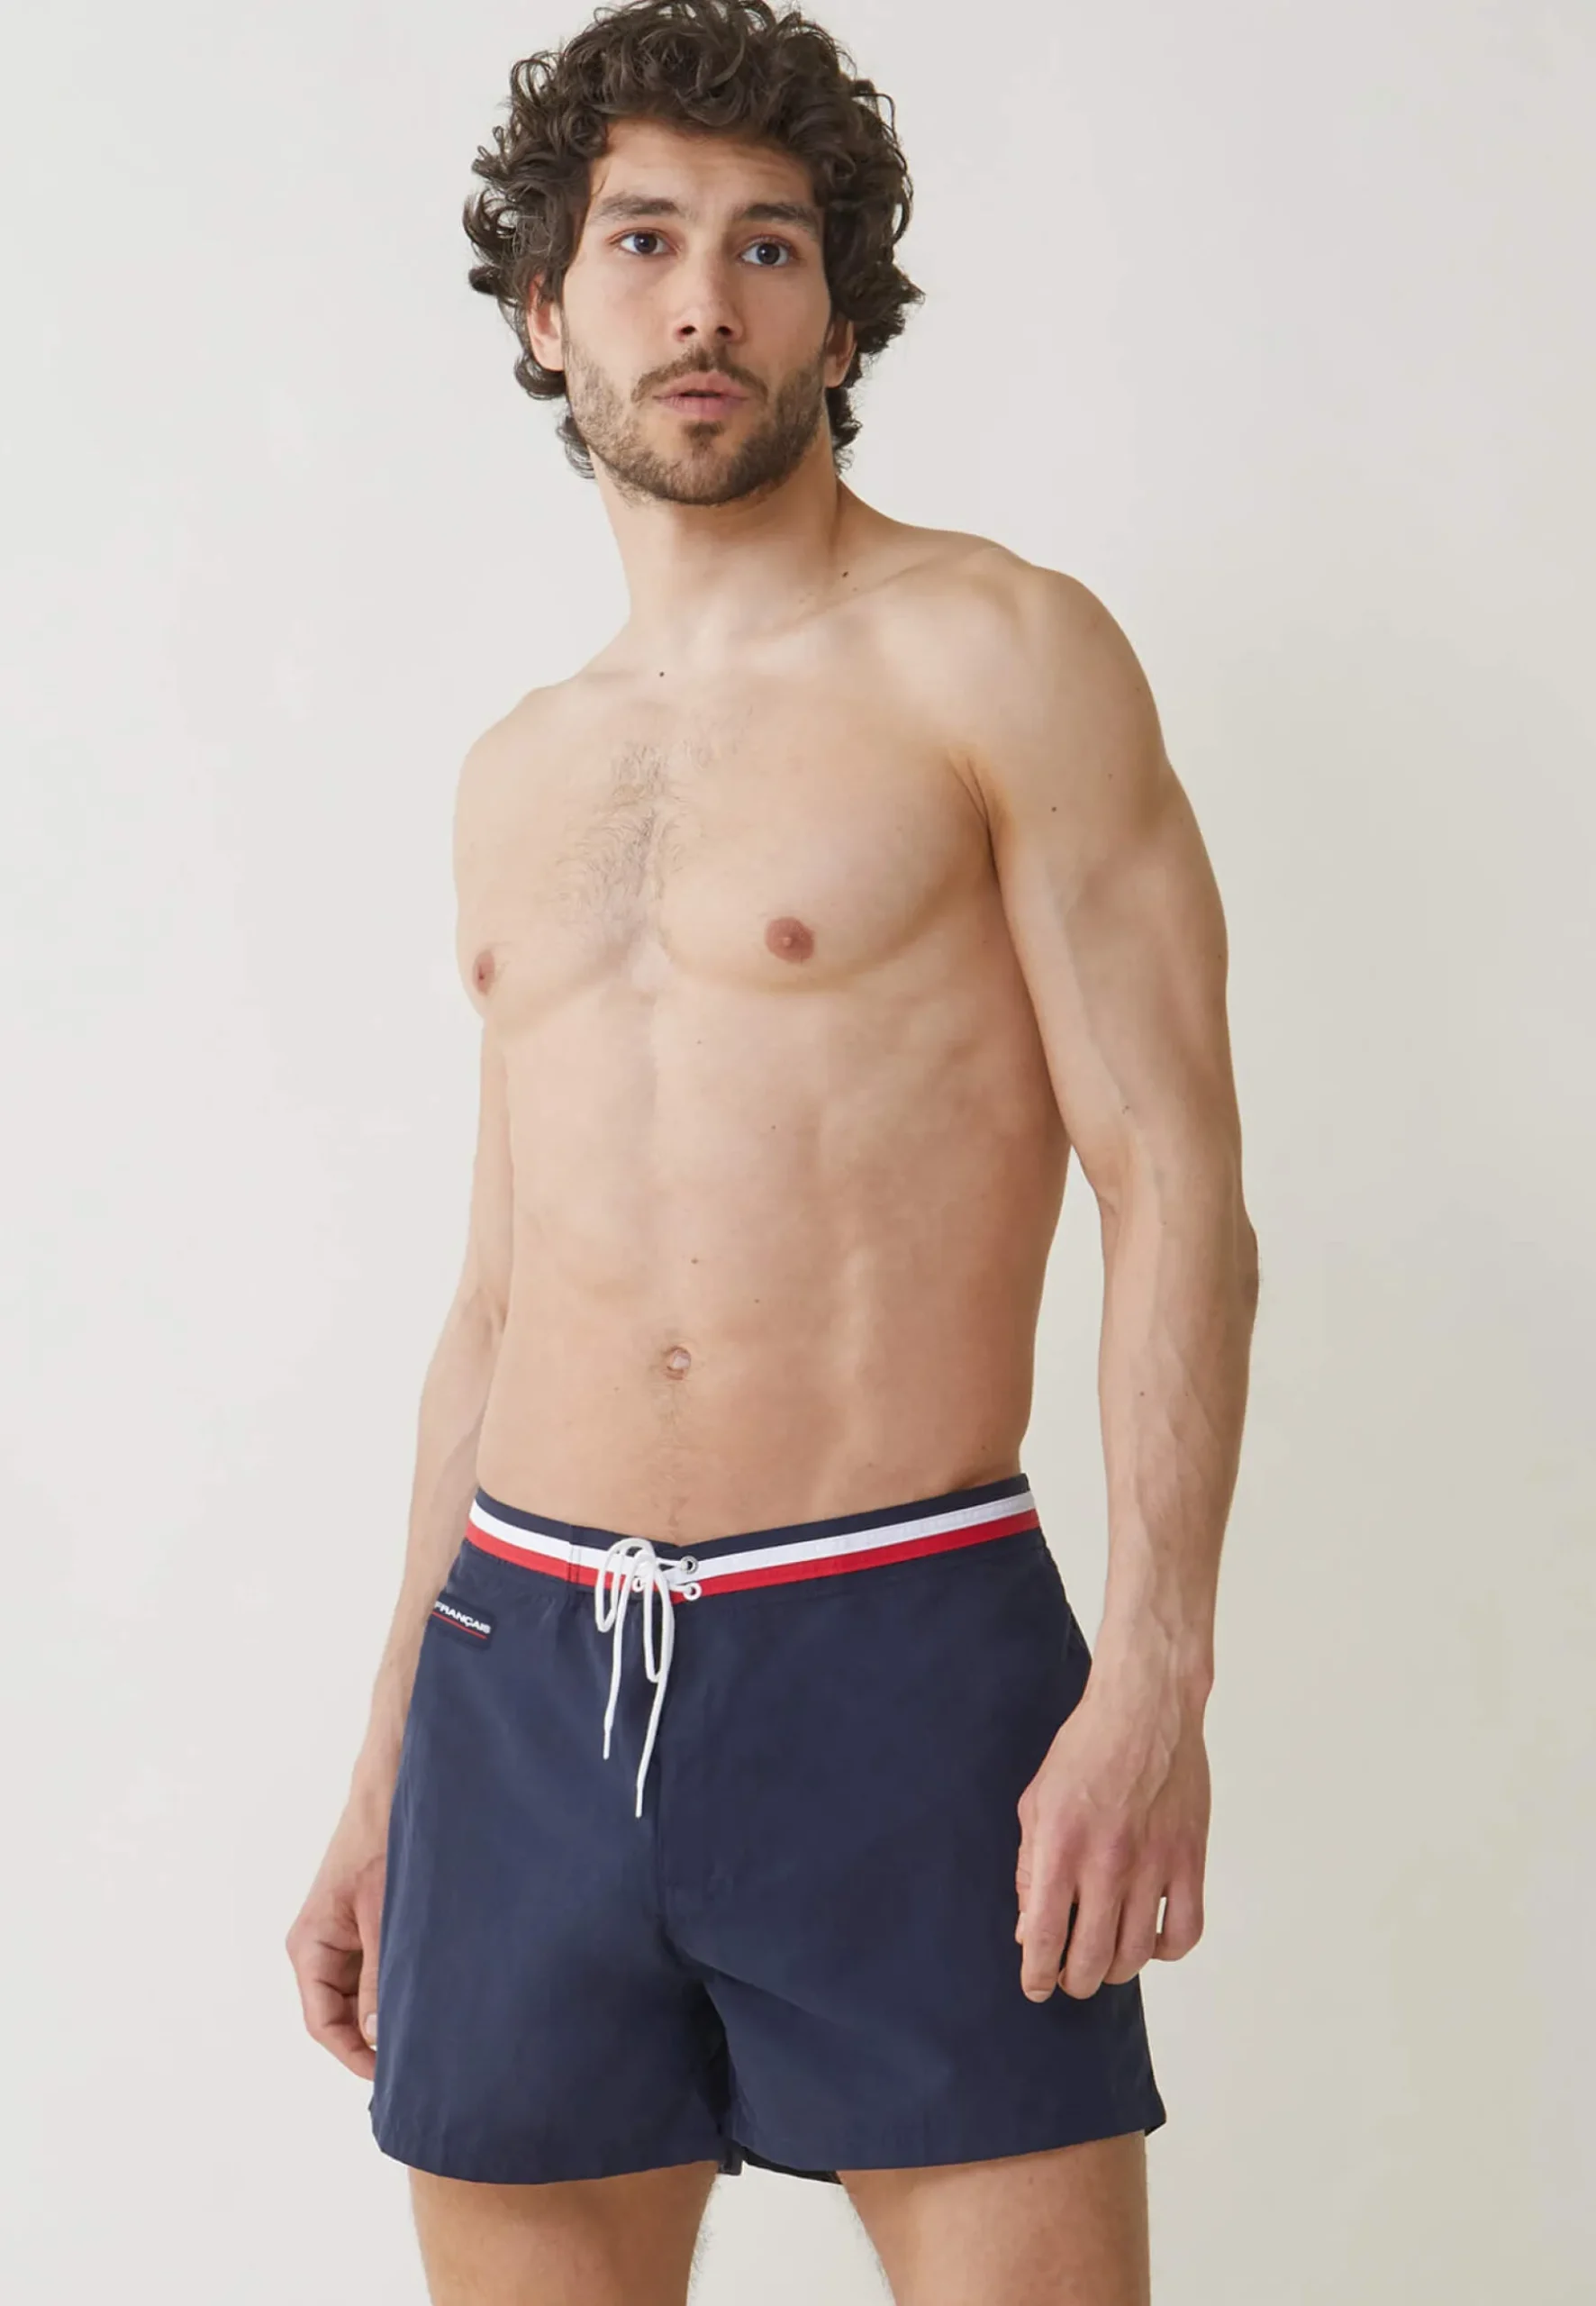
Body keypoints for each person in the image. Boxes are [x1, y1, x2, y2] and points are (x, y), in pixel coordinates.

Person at [285, 3, 1260, 2299]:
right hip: (522, 1670)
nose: (704, 300)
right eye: (642, 241)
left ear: (838, 310)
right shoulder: (516, 767)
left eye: (767, 245)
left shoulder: (998, 654)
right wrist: (385, 1765)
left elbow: (1175, 1187)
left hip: (895, 1645)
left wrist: (1155, 1675)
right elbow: (499, 1302)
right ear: (549, 308)